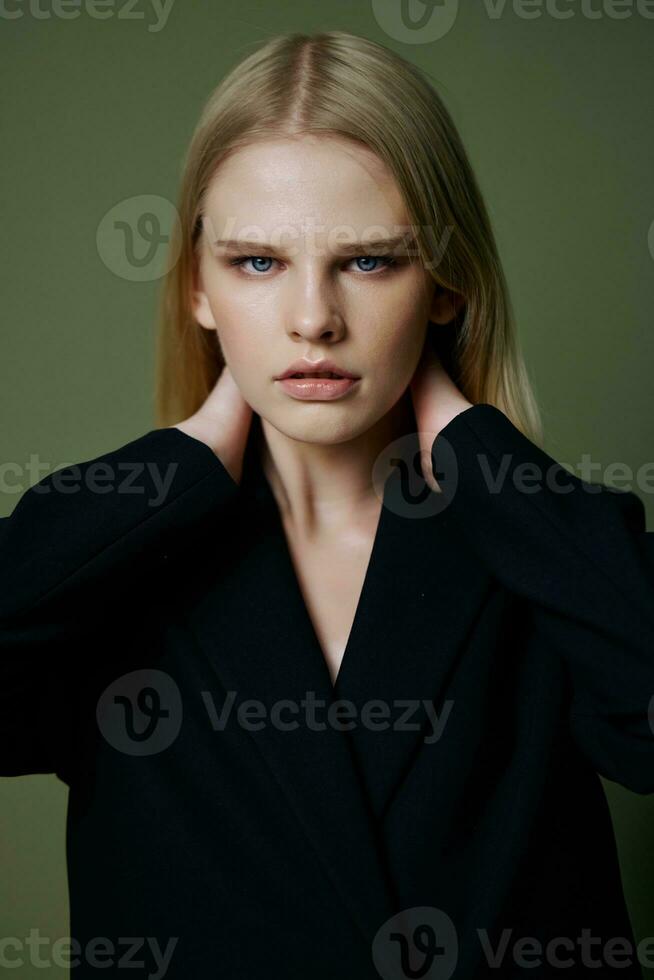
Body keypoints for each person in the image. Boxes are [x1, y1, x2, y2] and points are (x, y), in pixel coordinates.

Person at [1, 30, 653, 980]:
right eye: (258, 262)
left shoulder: (540, 553)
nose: (313, 318)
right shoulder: (117, 570)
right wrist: (178, 470)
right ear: (196, 285)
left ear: (446, 280)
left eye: (372, 261)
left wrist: (475, 452)